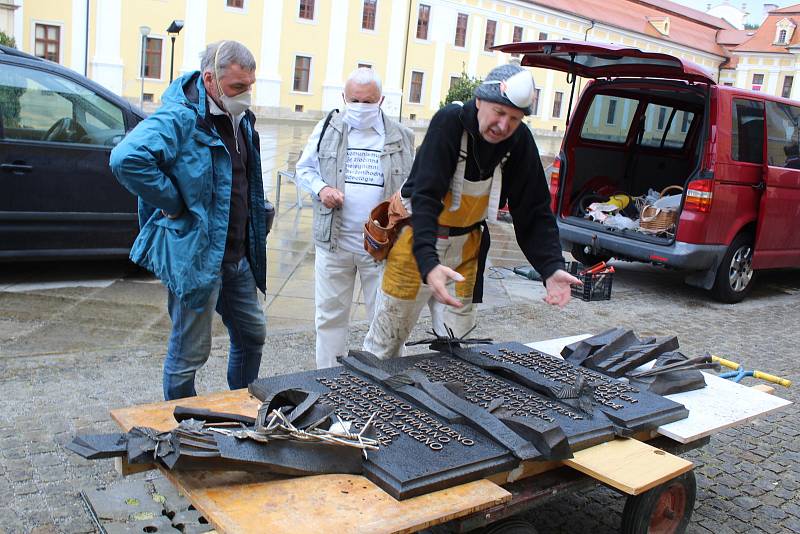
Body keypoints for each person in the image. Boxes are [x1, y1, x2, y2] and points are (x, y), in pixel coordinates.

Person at [363, 64, 579, 359]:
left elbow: (534, 211)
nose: (504, 125)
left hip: (466, 250)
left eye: (514, 118)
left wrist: (551, 267)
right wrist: (429, 262)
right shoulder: (449, 124)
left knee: (457, 346)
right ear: (479, 101)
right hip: (417, 241)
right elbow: (426, 197)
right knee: (385, 343)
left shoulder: (518, 142)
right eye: (499, 112)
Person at [110, 41, 268, 400]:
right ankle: (181, 427)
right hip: (198, 259)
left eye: (249, 86)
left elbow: (238, 178)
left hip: (237, 256)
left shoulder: (239, 116)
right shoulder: (181, 117)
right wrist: (173, 201)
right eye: (237, 87)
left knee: (252, 334)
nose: (246, 94)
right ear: (210, 79)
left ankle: (239, 403)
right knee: (189, 354)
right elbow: (125, 159)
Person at [295, 67, 416, 369]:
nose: (360, 107)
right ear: (343, 98)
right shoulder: (328, 128)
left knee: (385, 318)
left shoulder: (401, 137)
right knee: (329, 316)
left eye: (368, 101)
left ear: (381, 100)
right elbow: (304, 169)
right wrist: (321, 188)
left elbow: (414, 186)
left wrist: (401, 209)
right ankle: (330, 380)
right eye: (354, 100)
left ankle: (383, 381)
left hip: (381, 247)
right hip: (335, 242)